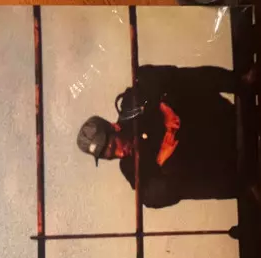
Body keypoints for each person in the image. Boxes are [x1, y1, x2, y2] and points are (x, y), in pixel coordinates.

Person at [76, 65, 239, 208]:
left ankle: (240, 82)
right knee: (173, 176)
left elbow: (151, 76)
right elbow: (153, 198)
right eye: (111, 156)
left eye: (114, 146)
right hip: (222, 163)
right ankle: (243, 183)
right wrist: (161, 160)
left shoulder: (130, 105)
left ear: (114, 127)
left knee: (177, 81)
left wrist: (163, 105)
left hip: (218, 118)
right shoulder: (130, 167)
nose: (120, 153)